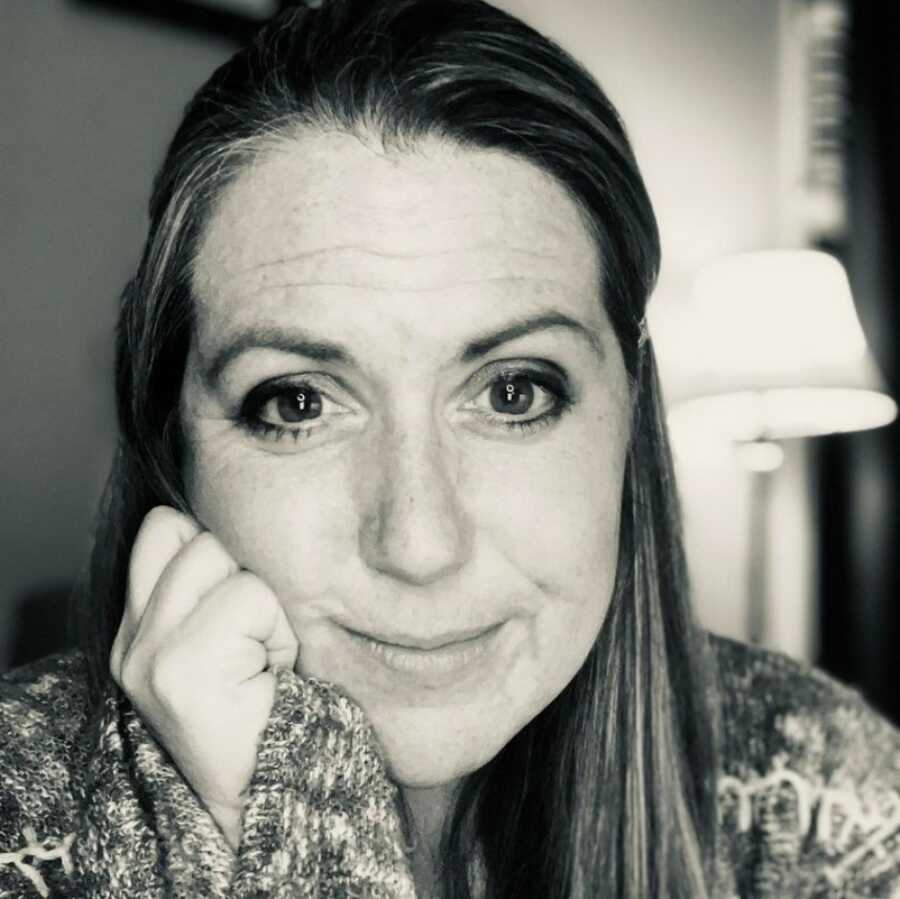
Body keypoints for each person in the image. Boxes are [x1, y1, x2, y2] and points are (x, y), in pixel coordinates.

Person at [1, 1, 899, 896]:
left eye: (515, 392)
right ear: (173, 442)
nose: (420, 544)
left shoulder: (825, 797)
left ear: (630, 411)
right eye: (299, 401)